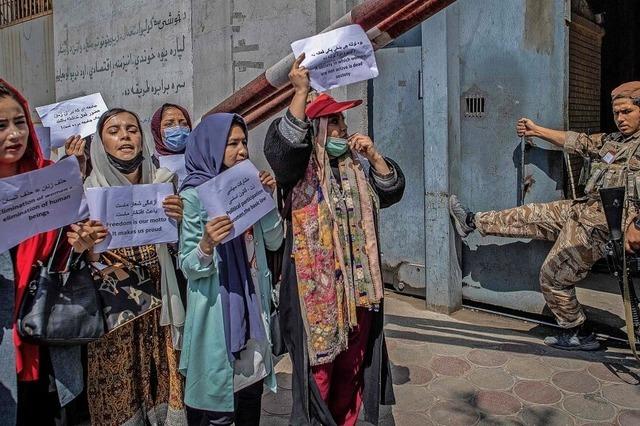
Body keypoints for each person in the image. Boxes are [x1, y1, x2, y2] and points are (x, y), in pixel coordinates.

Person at [263, 55, 404, 426]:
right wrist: (300, 93)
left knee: (354, 366)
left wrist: (374, 156)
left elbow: (390, 191)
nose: (343, 127)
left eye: (343, 120)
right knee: (319, 373)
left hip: (359, 295)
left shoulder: (355, 168)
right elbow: (281, 151)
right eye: (334, 120)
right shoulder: (300, 172)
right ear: (318, 127)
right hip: (318, 301)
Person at [449, 81, 640, 351]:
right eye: (617, 113)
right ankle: (470, 222)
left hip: (600, 229)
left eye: (627, 112)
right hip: (582, 210)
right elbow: (577, 142)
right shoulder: (614, 142)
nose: (620, 118)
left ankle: (578, 332)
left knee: (552, 277)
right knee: (528, 215)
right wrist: (536, 131)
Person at [0, 79, 106, 425]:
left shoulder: (48, 177)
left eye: (19, 122)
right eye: (1, 126)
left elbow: (68, 251)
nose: (14, 134)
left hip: (50, 335)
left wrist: (82, 243)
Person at [83, 108, 187, 425]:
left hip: (160, 311)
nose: (125, 135)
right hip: (114, 321)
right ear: (100, 144)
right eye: (114, 130)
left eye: (132, 129)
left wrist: (179, 223)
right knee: (119, 399)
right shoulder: (87, 195)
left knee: (163, 390)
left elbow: (179, 250)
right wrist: (88, 249)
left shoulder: (163, 184)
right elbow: (80, 265)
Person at [178, 113, 283, 426]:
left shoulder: (248, 187)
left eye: (244, 143)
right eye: (232, 143)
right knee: (219, 409)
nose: (242, 151)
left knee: (250, 396)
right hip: (218, 314)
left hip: (253, 305)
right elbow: (189, 265)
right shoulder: (195, 195)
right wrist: (207, 244)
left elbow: (275, 241)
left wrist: (268, 199)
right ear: (211, 148)